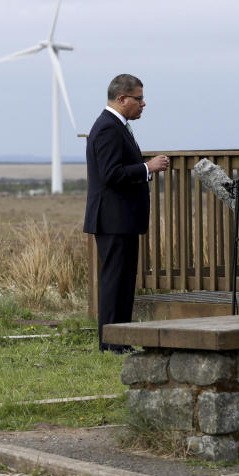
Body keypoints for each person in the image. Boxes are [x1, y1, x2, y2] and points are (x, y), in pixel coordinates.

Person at [84, 74, 169, 352]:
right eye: (139, 98)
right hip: (113, 219)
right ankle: (111, 343)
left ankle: (119, 340)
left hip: (122, 219)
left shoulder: (117, 125)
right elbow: (110, 174)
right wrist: (147, 168)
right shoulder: (108, 127)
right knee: (114, 283)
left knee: (123, 282)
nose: (143, 104)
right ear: (122, 99)